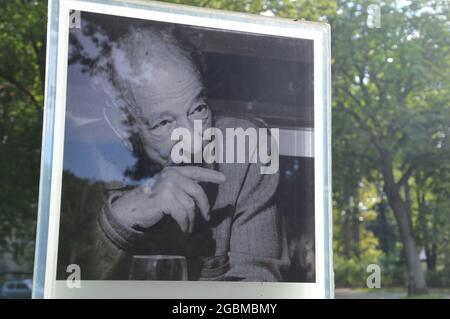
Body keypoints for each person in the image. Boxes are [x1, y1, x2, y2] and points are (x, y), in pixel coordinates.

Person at [60, 26, 287, 282]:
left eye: (198, 109)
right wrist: (123, 217)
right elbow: (65, 284)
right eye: (163, 123)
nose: (193, 139)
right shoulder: (78, 160)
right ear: (121, 127)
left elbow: (258, 289)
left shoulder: (247, 149)